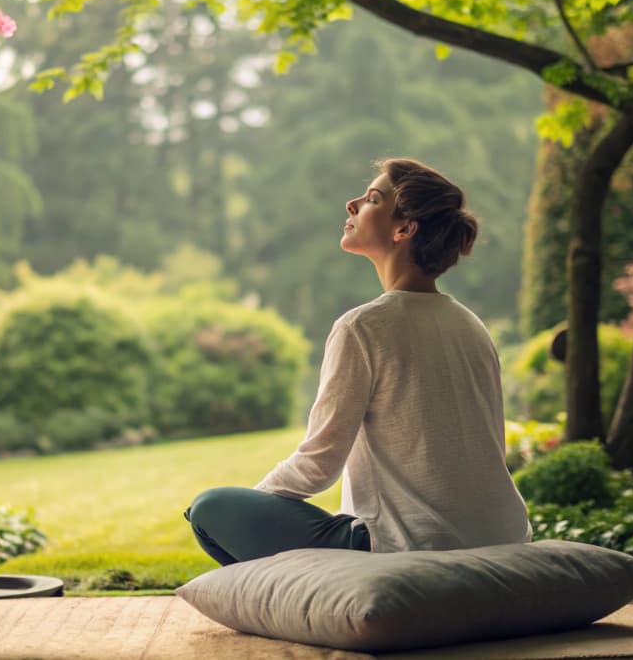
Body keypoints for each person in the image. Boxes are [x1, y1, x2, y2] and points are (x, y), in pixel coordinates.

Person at [184, 157, 531, 565]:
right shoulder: (471, 325)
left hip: (410, 548)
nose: (351, 204)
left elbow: (319, 465)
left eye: (371, 199)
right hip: (505, 537)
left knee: (210, 511)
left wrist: (251, 504)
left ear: (404, 229)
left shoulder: (363, 327)